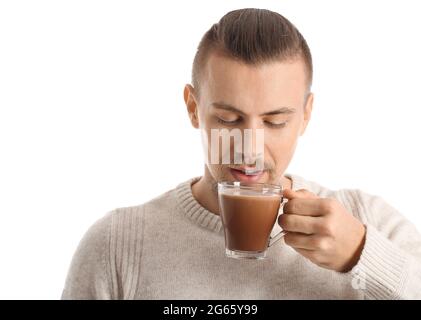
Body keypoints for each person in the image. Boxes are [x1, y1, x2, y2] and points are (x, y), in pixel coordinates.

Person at [61, 8, 421, 299]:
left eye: (275, 121)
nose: (249, 148)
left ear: (306, 115)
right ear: (192, 107)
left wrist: (362, 254)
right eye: (228, 119)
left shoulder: (364, 220)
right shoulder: (118, 246)